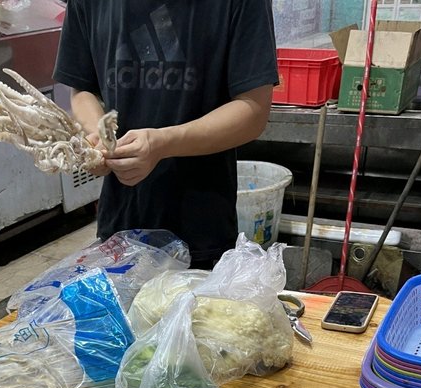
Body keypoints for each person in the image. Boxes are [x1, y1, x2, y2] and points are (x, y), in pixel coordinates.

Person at [53, 0, 278, 268]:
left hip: (201, 226)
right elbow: (82, 89)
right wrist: (99, 136)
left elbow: (254, 109)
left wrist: (163, 144)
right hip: (120, 227)